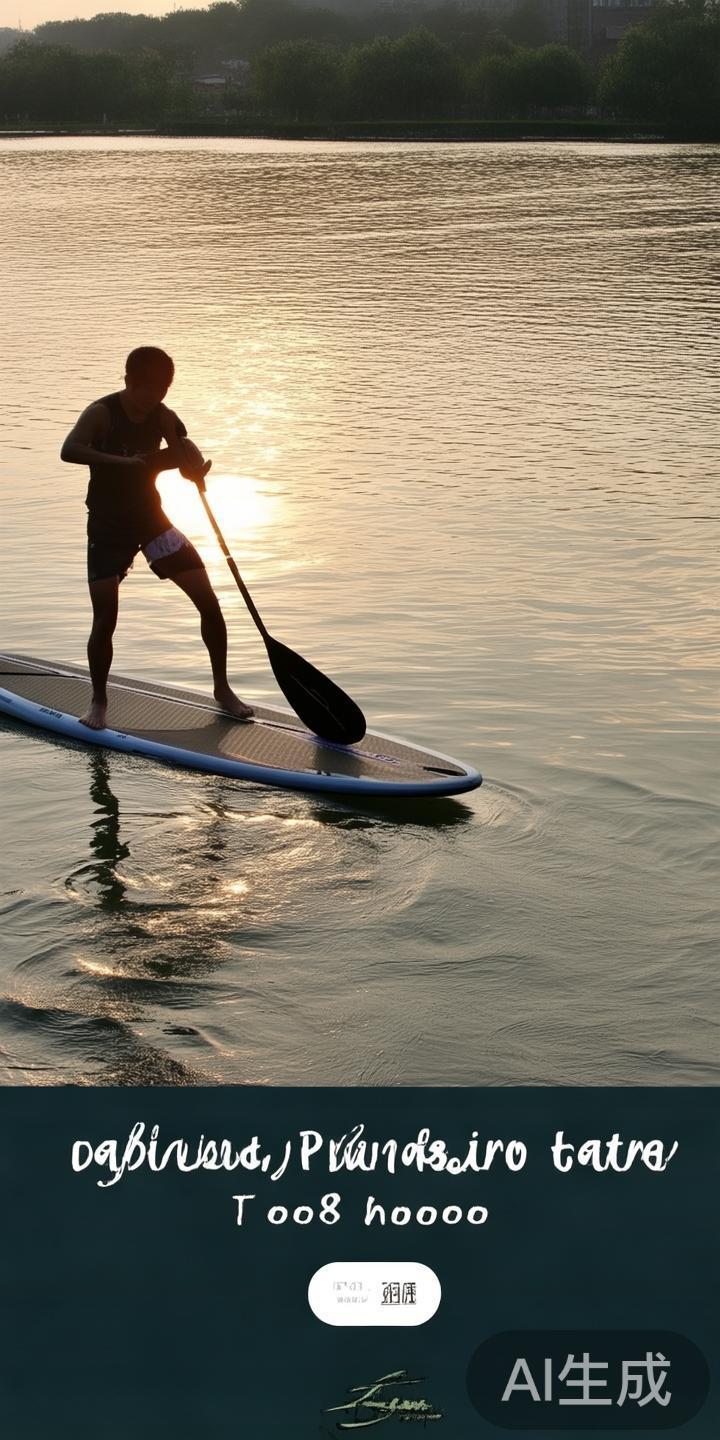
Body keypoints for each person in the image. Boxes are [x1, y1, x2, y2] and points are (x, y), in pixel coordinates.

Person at [61, 346, 254, 730]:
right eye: (147, 389)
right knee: (106, 617)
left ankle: (222, 689)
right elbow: (69, 450)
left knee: (209, 601)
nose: (154, 398)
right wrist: (120, 462)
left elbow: (183, 452)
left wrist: (195, 470)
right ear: (129, 381)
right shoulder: (102, 413)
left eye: (162, 389)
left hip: (152, 522)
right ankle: (98, 702)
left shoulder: (164, 416)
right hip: (108, 527)